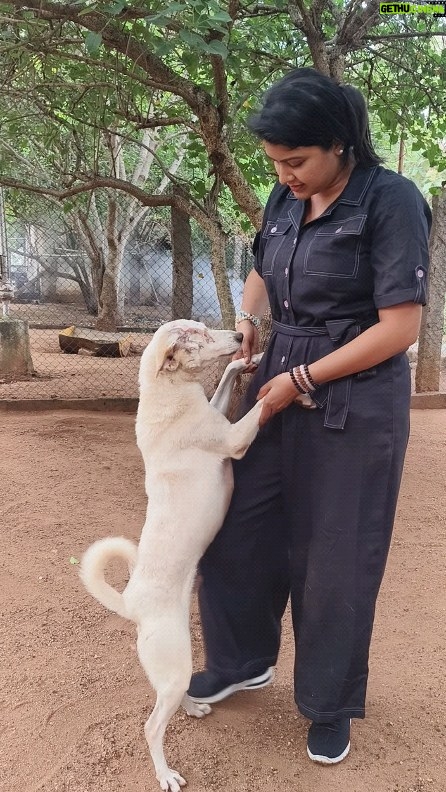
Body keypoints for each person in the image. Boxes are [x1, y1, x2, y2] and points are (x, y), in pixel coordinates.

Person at [188, 68, 432, 765]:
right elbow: (266, 264)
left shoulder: (392, 202)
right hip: (280, 377)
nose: (285, 175)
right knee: (237, 526)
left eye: (296, 161)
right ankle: (240, 658)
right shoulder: (284, 195)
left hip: (354, 390)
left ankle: (329, 704)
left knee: (336, 558)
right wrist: (247, 319)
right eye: (274, 163)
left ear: (341, 144)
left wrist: (301, 377)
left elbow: (399, 328)